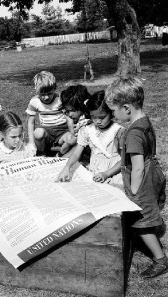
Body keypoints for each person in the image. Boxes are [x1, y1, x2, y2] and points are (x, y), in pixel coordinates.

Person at [105, 77, 167, 278]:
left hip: (142, 181)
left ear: (126, 108)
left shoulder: (133, 134)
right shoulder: (145, 122)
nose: (113, 115)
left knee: (143, 222)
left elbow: (138, 167)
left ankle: (160, 259)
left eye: (114, 111)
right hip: (152, 174)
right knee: (142, 217)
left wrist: (133, 192)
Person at [57, 90, 124, 187]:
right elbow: (76, 153)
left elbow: (124, 159)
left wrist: (106, 174)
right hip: (94, 171)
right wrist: (67, 167)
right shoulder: (87, 130)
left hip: (114, 172)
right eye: (93, 117)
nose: (97, 121)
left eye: (102, 117)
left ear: (111, 113)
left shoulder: (118, 132)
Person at [26, 71, 68, 156]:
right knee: (38, 133)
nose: (46, 97)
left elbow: (68, 116)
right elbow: (31, 123)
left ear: (54, 88)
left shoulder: (60, 99)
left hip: (62, 130)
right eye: (42, 94)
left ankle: (61, 153)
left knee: (71, 138)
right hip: (47, 131)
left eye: (49, 93)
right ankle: (41, 153)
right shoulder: (35, 101)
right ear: (37, 91)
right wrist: (31, 142)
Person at [57, 84, 92, 157]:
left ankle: (61, 158)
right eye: (67, 111)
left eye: (72, 110)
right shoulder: (79, 117)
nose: (69, 114)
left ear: (81, 106)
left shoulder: (90, 118)